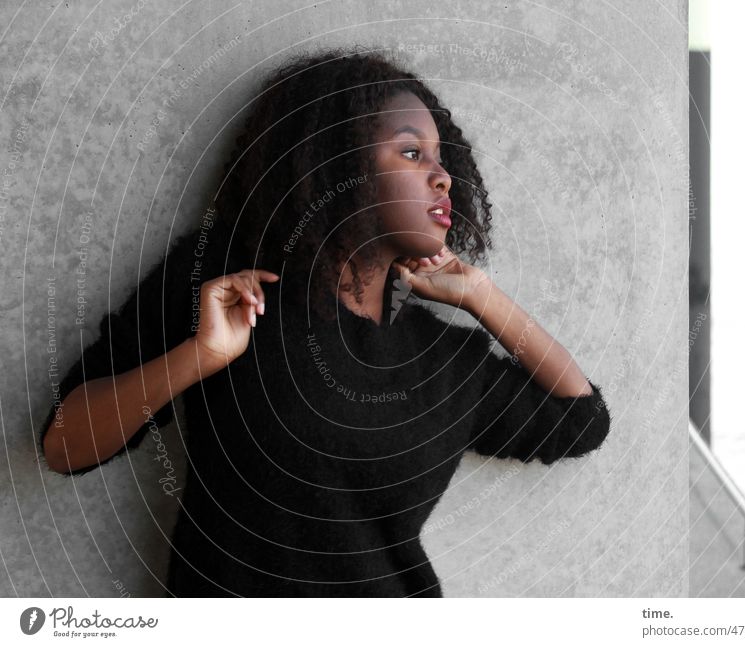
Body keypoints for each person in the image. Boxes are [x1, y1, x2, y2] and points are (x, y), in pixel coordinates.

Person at [39, 47, 612, 597]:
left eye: (442, 160)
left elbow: (581, 419)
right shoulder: (228, 284)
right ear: (340, 161)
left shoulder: (442, 355)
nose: (442, 178)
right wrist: (200, 356)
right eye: (412, 153)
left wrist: (484, 298)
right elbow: (65, 444)